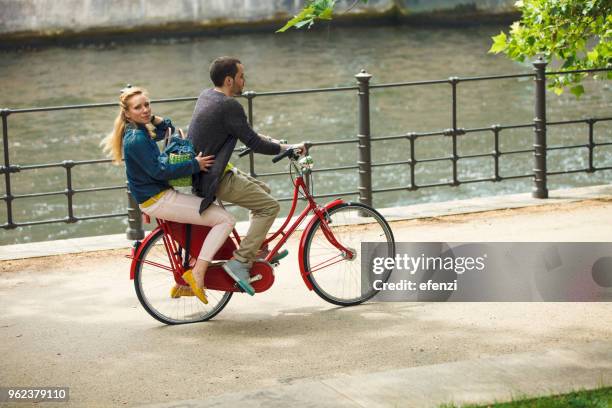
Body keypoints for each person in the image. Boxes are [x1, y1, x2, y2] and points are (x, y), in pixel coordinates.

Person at [102, 86, 236, 304]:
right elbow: (159, 170)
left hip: (154, 196)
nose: (145, 110)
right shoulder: (137, 139)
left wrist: (151, 117)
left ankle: (184, 284)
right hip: (158, 199)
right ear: (127, 113)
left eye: (147, 105)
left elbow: (168, 127)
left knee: (201, 221)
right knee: (225, 219)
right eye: (138, 107)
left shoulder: (139, 130)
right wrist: (195, 164)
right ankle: (197, 273)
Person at [188, 57, 305, 296]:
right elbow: (252, 141)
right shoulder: (229, 106)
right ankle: (240, 262)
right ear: (230, 80)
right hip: (215, 178)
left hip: (210, 172)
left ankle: (256, 249)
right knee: (270, 207)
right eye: (242, 76)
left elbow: (244, 132)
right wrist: (286, 148)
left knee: (263, 192)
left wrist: (277, 143)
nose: (245, 81)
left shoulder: (207, 96)